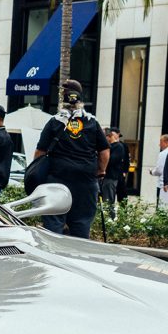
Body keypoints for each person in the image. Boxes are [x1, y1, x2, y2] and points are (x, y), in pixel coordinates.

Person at [33, 79, 109, 238]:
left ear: (63, 98)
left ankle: (54, 258)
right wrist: (100, 171)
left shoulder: (54, 122)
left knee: (53, 223)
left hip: (57, 180)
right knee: (81, 224)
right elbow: (104, 151)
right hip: (85, 182)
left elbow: (40, 152)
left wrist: (38, 172)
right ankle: (77, 259)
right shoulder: (92, 123)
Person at [101, 127, 128, 216]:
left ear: (109, 136)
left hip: (111, 177)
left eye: (104, 137)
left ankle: (111, 220)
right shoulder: (109, 146)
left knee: (109, 201)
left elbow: (111, 160)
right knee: (106, 200)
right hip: (106, 177)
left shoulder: (118, 146)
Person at [149, 134, 168, 205]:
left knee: (162, 208)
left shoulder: (163, 154)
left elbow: (159, 170)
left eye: (161, 142)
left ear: (166, 142)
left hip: (163, 185)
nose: (159, 144)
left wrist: (151, 172)